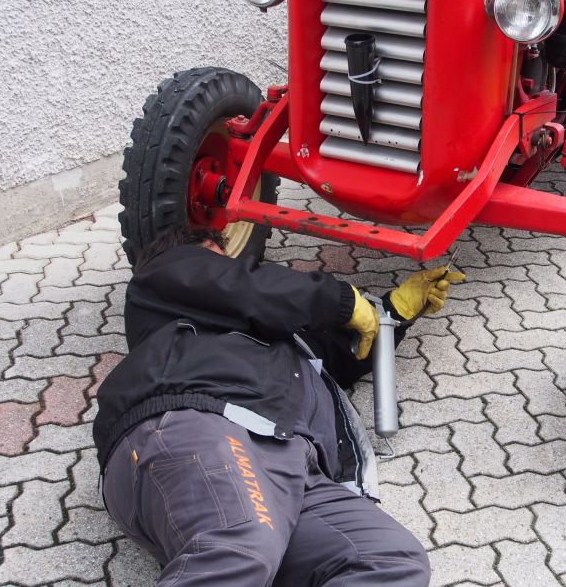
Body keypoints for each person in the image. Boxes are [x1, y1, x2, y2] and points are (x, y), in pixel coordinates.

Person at [92, 226, 465, 587]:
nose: (234, 267)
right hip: (207, 425)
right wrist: (339, 301)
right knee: (238, 550)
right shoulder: (166, 274)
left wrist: (392, 314)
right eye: (223, 260)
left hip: (295, 464)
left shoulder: (265, 341)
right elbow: (240, 284)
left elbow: (335, 358)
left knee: (390, 561)